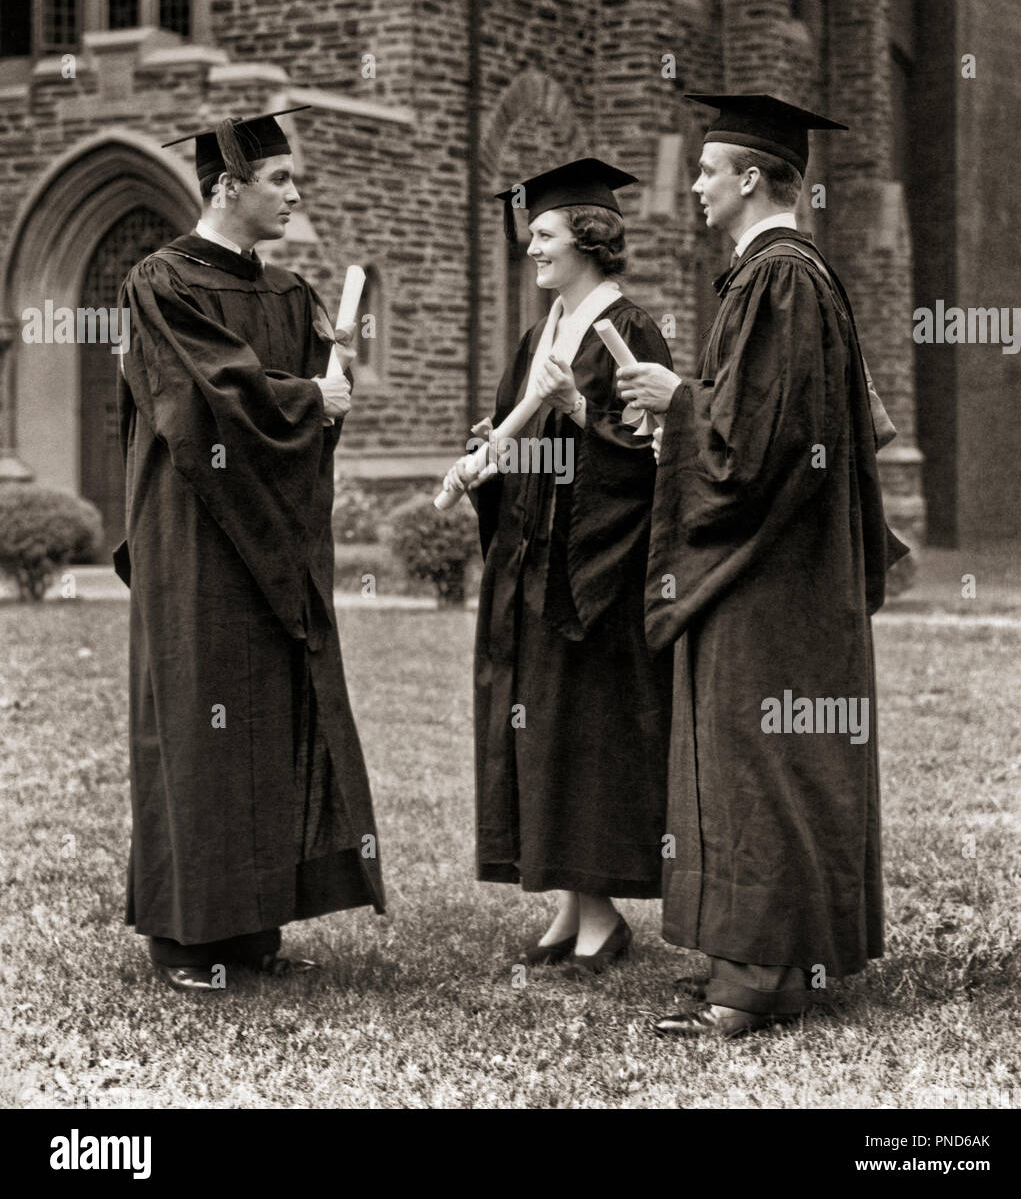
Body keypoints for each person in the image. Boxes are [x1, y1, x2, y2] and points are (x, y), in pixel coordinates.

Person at [617, 94, 908, 1038]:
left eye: (707, 172)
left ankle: (751, 983)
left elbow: (759, 446)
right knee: (760, 757)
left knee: (758, 760)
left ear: (751, 179)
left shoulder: (781, 279)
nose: (693, 186)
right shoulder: (777, 277)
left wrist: (678, 403)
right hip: (781, 570)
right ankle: (765, 970)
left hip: (769, 574)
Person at [114, 109, 385, 992]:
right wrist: (313, 395)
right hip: (195, 537)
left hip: (276, 540)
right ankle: (189, 937)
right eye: (279, 180)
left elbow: (310, 416)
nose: (295, 193)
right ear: (228, 187)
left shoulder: (289, 293)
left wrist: (333, 374)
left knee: (269, 719)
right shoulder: (161, 284)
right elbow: (206, 401)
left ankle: (255, 926)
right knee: (200, 721)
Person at [443, 159, 673, 970]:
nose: (531, 248)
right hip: (535, 559)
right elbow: (515, 428)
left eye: (543, 235)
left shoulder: (630, 329)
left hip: (595, 569)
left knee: (589, 734)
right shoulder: (543, 331)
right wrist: (482, 460)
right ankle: (575, 904)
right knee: (542, 728)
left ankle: (603, 911)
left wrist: (580, 414)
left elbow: (654, 455)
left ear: (589, 237)